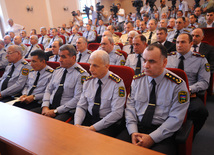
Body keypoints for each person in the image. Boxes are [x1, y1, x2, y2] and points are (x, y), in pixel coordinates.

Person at [117, 43, 189, 155]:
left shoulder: (177, 85)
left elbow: (175, 119)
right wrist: (133, 132)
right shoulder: (137, 80)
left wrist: (152, 138)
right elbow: (130, 109)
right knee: (113, 149)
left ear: (164, 62)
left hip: (162, 133)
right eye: (144, 60)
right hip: (137, 128)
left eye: (151, 61)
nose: (145, 65)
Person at [74, 50, 126, 137]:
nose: (90, 69)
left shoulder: (117, 83)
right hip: (90, 117)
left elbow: (117, 113)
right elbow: (81, 106)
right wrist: (77, 124)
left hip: (107, 123)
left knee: (94, 141)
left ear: (106, 66)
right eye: (90, 64)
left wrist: (93, 128)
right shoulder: (88, 81)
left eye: (95, 66)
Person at [166, 33, 210, 137]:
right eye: (177, 42)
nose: (179, 45)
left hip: (188, 93)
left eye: (183, 42)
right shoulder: (168, 58)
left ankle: (189, 135)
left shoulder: (200, 60)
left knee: (201, 112)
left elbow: (204, 82)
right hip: (168, 92)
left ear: (191, 44)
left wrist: (189, 89)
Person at [31, 44, 89, 121]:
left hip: (65, 111)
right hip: (49, 106)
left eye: (63, 57)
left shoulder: (81, 74)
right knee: (30, 116)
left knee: (52, 126)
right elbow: (48, 90)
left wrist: (56, 111)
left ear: (73, 57)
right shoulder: (57, 71)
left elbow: (77, 98)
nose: (60, 60)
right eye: (59, 56)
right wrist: (45, 106)